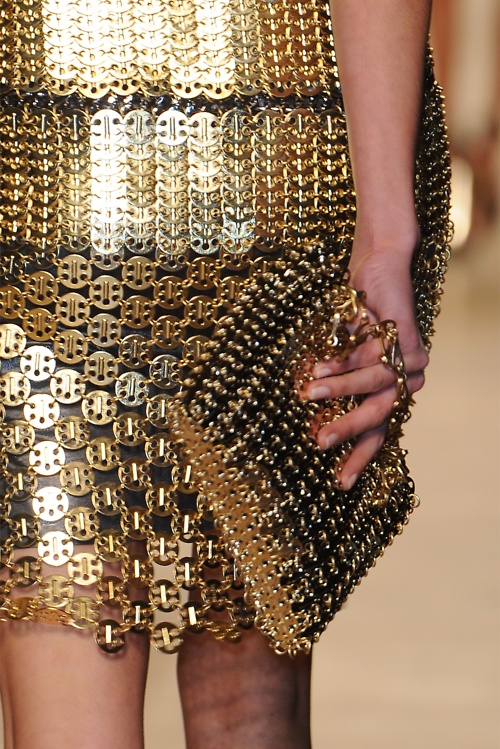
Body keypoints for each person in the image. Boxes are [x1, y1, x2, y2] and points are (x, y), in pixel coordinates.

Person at [0, 1, 450, 748]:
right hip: (284, 145)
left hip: (49, 146)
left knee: (67, 645)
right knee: (249, 695)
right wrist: (387, 235)